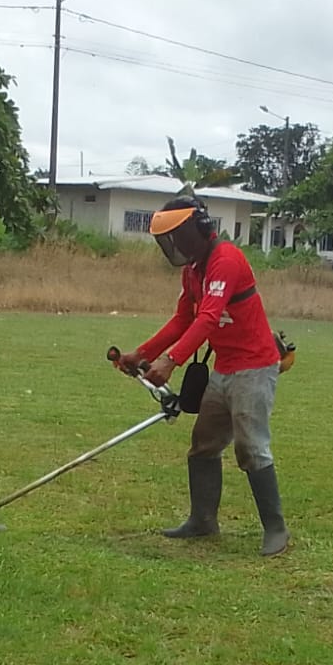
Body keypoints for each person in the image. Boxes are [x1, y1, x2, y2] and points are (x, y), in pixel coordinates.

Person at [115, 195, 290, 556]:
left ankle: (276, 529)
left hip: (254, 367)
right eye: (169, 240)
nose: (175, 246)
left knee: (251, 446)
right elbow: (183, 319)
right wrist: (142, 354)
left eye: (179, 236)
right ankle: (203, 521)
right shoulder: (193, 270)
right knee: (204, 444)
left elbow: (208, 318)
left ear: (201, 228)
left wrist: (171, 361)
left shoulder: (226, 260)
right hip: (225, 367)